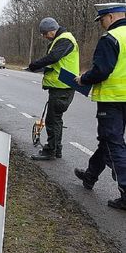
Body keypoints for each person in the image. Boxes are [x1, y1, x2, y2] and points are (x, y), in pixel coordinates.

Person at [74, 2, 126, 210]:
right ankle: (90, 175)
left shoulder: (111, 38)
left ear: (112, 17)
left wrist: (83, 79)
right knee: (107, 141)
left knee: (113, 144)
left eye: (102, 20)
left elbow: (101, 71)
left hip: (113, 100)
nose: (102, 25)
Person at [28, 17, 79, 160]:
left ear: (51, 30)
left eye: (45, 34)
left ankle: (50, 150)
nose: (44, 37)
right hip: (62, 86)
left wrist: (35, 64)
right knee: (56, 119)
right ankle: (57, 149)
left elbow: (53, 57)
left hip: (63, 87)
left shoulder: (65, 39)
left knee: (52, 120)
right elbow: (56, 63)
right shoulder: (61, 39)